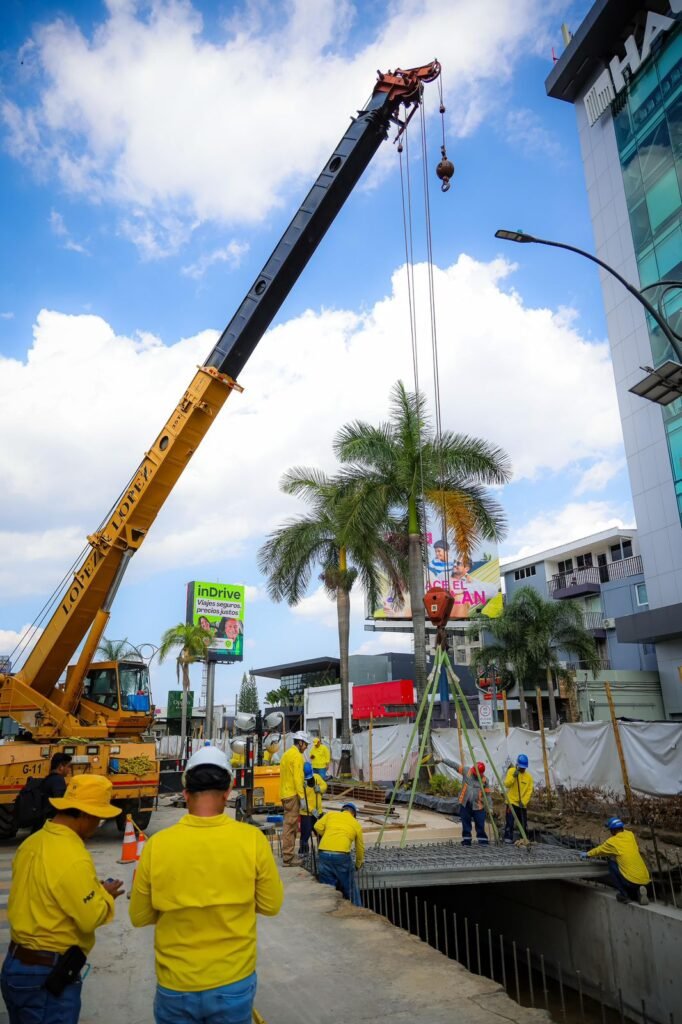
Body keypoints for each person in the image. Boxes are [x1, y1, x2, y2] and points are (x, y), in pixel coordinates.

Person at [130, 745, 283, 1024]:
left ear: (185, 793)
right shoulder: (252, 840)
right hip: (233, 982)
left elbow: (139, 917)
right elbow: (271, 906)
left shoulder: (157, 846)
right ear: (228, 791)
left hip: (175, 986)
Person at [2, 775, 124, 1024]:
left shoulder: (32, 843)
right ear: (85, 815)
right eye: (99, 817)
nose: (99, 823)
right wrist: (104, 895)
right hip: (46, 974)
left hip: (16, 966)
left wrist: (89, 889)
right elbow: (90, 918)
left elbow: (46, 892)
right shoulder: (73, 856)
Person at [580, 817, 650, 905]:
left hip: (631, 881)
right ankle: (639, 891)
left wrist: (587, 854)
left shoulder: (612, 842)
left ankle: (624, 895)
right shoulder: (630, 835)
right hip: (645, 880)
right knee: (627, 865)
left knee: (611, 864)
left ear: (612, 830)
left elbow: (599, 850)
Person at [315, 803, 364, 906]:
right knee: (350, 888)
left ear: (342, 810)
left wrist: (328, 834)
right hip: (341, 856)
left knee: (327, 889)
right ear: (354, 814)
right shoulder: (355, 824)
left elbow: (317, 826)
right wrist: (358, 864)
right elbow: (360, 847)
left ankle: (328, 910)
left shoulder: (331, 814)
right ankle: (358, 910)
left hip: (323, 853)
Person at [436, 756, 490, 846]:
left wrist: (490, 807)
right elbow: (455, 765)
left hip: (478, 805)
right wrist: (443, 760)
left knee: (480, 823)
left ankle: (483, 841)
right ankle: (466, 841)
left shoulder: (485, 780)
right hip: (465, 804)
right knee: (466, 823)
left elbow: (487, 794)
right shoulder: (467, 771)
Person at [278, 731, 309, 867]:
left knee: (290, 825)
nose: (306, 747)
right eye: (305, 744)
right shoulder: (297, 756)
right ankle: (288, 858)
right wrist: (302, 797)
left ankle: (288, 855)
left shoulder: (286, 754)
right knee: (290, 826)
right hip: (292, 794)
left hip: (285, 793)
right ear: (300, 742)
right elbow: (297, 778)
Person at [503, 754, 533, 843]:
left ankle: (523, 840)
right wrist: (513, 776)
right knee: (510, 822)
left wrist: (524, 802)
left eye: (524, 768)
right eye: (521, 767)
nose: (523, 769)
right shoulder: (511, 771)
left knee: (523, 824)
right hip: (511, 803)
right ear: (517, 765)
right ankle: (508, 840)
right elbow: (507, 784)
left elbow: (529, 791)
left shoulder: (529, 777)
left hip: (521, 805)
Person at [299, 762, 327, 856]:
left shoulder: (317, 777)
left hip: (318, 812)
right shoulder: (301, 783)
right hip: (306, 814)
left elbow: (325, 785)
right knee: (305, 835)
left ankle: (322, 850)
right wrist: (311, 810)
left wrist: (320, 788)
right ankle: (304, 853)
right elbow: (302, 802)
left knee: (321, 833)